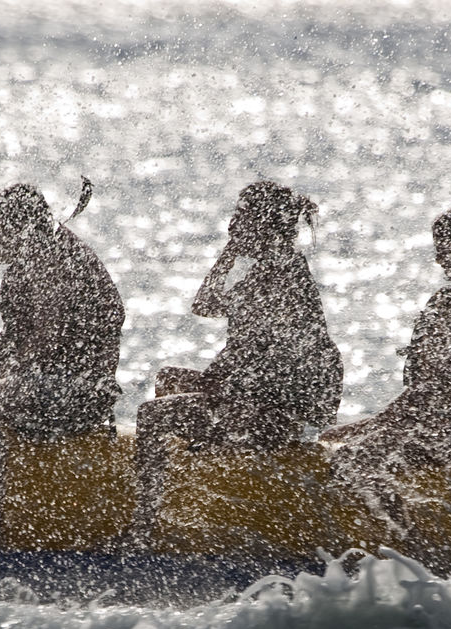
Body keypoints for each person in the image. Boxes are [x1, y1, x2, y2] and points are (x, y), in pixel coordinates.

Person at [122, 180, 343, 548]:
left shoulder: (280, 273)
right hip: (255, 394)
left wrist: (223, 389)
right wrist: (230, 252)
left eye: (240, 218)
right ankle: (197, 477)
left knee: (151, 415)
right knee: (169, 379)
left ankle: (143, 528)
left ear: (263, 222)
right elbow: (204, 305)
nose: (232, 225)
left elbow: (273, 360)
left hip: (276, 410)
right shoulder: (268, 266)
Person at [0, 182, 123, 548]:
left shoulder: (54, 260)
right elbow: (16, 338)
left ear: (16, 227)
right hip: (45, 382)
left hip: (81, 392)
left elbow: (47, 341)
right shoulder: (32, 256)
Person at [322, 204, 451, 472]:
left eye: (442, 247)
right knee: (339, 443)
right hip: (441, 426)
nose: (438, 258)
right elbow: (429, 391)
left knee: (349, 459)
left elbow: (444, 388)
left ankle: (395, 514)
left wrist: (372, 424)